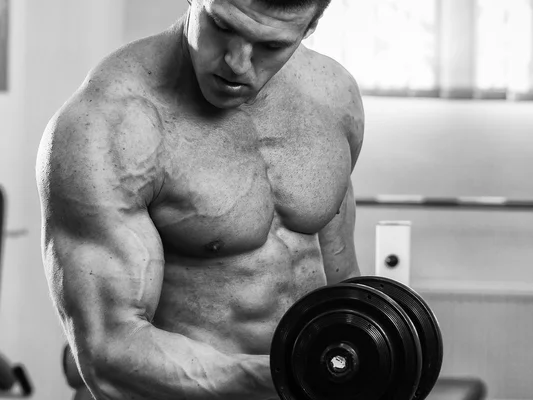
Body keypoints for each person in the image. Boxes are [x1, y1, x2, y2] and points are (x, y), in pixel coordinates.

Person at [36, 0, 364, 398]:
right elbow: (111, 352)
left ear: (310, 25)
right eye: (222, 26)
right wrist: (293, 378)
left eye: (271, 46)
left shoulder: (334, 96)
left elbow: (343, 287)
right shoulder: (108, 124)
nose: (237, 63)